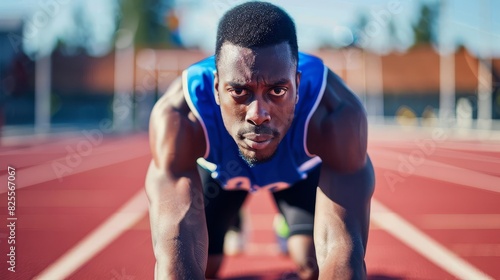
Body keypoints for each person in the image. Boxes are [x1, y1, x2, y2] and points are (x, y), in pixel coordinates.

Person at [145, 1, 375, 279]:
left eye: (277, 91)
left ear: (298, 85)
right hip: (222, 176)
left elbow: (344, 255)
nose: (258, 114)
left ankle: (287, 224)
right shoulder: (181, 117)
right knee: (204, 268)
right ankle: (234, 219)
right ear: (216, 88)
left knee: (311, 264)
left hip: (296, 173)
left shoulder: (334, 114)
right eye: (240, 91)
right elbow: (172, 262)